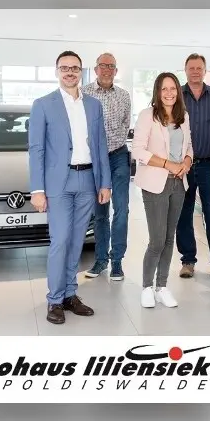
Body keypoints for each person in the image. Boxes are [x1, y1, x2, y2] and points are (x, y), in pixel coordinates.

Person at [28, 50, 112, 325]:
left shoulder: (94, 106)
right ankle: (54, 299)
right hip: (58, 183)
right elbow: (36, 150)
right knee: (60, 240)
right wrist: (37, 189)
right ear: (57, 72)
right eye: (64, 68)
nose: (70, 72)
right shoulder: (43, 105)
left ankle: (69, 295)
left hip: (87, 180)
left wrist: (105, 182)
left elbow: (100, 146)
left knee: (77, 242)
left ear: (81, 72)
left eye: (75, 68)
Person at [132, 72, 193, 309]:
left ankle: (162, 287)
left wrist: (187, 161)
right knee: (157, 240)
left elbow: (189, 146)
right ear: (157, 92)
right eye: (164, 89)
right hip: (155, 183)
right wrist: (168, 164)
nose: (169, 93)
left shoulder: (183, 116)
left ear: (178, 91)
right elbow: (138, 151)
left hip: (178, 183)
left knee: (169, 239)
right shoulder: (147, 115)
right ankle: (147, 287)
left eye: (173, 88)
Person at [176, 53, 210, 280]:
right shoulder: (176, 96)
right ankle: (188, 261)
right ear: (185, 70)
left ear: (205, 71)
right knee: (183, 213)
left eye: (199, 68)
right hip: (183, 165)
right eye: (191, 68)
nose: (195, 71)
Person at [82, 52, 132, 282]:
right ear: (96, 69)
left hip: (118, 155)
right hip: (94, 160)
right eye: (103, 65)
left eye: (111, 66)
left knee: (121, 210)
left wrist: (112, 145)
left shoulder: (123, 95)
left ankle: (117, 261)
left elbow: (125, 125)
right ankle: (101, 260)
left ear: (116, 71)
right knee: (100, 212)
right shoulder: (84, 93)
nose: (107, 69)